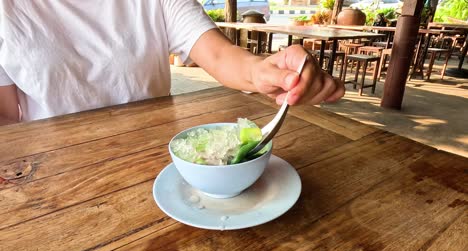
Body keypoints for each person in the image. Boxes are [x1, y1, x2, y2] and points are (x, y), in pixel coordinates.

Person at [0, 0, 344, 126]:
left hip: (157, 163)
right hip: (53, 179)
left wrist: (266, 71)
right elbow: (7, 114)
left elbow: (221, 56)